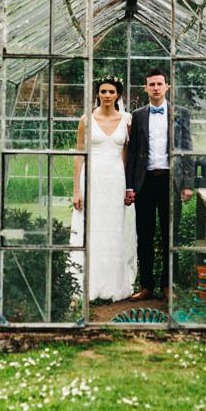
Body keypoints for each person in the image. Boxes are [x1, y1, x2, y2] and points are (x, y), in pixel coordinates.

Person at [125, 68, 193, 302]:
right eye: (151, 84)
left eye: (159, 84)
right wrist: (130, 186)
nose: (155, 88)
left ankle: (166, 285)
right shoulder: (138, 115)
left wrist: (187, 184)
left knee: (169, 236)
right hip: (145, 183)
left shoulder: (181, 114)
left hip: (170, 182)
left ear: (167, 87)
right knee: (144, 236)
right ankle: (146, 286)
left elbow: (187, 150)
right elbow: (132, 153)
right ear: (145, 88)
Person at [70, 76, 137, 301]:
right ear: (97, 94)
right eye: (103, 91)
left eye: (111, 91)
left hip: (115, 179)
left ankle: (113, 283)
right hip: (92, 177)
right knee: (93, 226)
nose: (107, 95)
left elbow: (127, 155)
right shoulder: (85, 120)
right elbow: (79, 155)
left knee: (114, 228)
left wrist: (128, 186)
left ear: (118, 95)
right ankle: (88, 282)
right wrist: (76, 190)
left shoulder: (126, 120)